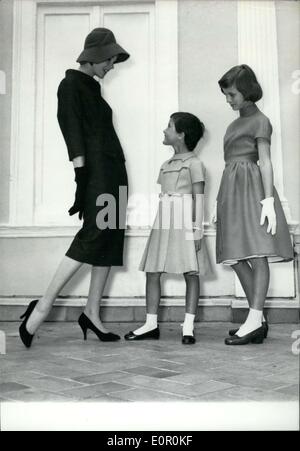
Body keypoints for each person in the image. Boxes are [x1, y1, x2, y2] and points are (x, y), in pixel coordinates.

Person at [19, 28, 130, 348]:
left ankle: (92, 314)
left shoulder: (91, 88)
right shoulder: (70, 85)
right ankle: (40, 309)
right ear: (94, 58)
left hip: (113, 173)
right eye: (109, 60)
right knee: (94, 235)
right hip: (98, 174)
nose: (112, 66)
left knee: (109, 238)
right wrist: (82, 179)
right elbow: (73, 133)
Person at [213, 64, 293, 345]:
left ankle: (254, 318)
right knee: (234, 256)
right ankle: (256, 318)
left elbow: (266, 161)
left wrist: (268, 201)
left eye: (232, 94)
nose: (228, 100)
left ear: (246, 92)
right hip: (230, 190)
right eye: (226, 95)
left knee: (257, 254)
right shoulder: (233, 124)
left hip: (251, 188)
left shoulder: (261, 121)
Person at [125, 112, 211, 344]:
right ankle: (151, 324)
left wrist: (197, 230)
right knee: (153, 270)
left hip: (185, 221)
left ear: (181, 135)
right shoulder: (166, 165)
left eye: (170, 126)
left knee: (191, 272)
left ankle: (189, 326)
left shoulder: (195, 164)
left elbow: (199, 199)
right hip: (164, 220)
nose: (165, 130)